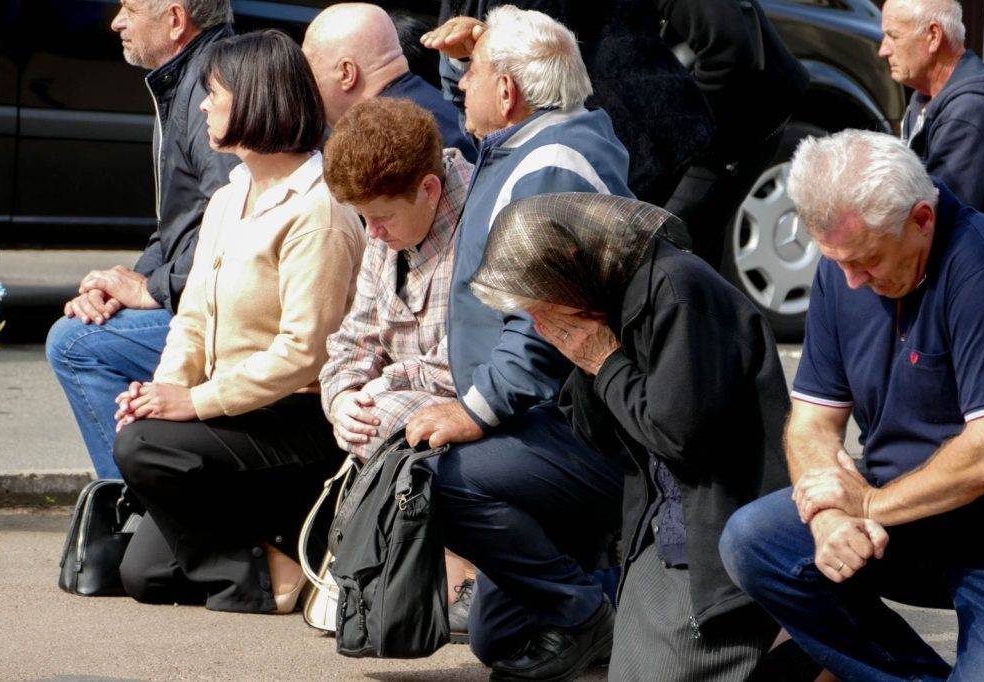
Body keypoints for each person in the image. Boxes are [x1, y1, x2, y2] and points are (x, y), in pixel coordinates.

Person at [720, 130, 984, 679]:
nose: (853, 280)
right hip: (896, 519)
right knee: (752, 541)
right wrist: (829, 517)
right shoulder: (843, 270)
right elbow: (812, 421)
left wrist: (868, 508)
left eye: (868, 261)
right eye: (840, 263)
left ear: (922, 220)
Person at [469, 193, 792, 680]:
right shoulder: (606, 296)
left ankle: (804, 651)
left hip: (716, 513)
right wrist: (587, 362)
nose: (539, 322)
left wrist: (604, 361)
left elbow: (681, 436)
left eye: (541, 303)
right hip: (662, 515)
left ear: (568, 269)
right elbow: (596, 435)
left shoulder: (678, 289)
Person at [409, 8, 631, 679]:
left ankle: (589, 611)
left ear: (507, 91)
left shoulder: (553, 166)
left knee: (438, 479)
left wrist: (473, 412)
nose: (458, 87)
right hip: (545, 426)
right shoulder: (539, 140)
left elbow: (542, 324)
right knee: (499, 642)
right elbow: (487, 117)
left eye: (472, 75)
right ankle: (607, 601)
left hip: (579, 435)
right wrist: (464, 59)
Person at [111, 30, 365, 614]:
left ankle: (257, 575)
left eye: (214, 94)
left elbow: (306, 351)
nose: (202, 105)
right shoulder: (231, 194)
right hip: (234, 411)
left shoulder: (318, 209)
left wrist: (194, 404)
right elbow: (194, 315)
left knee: (142, 446)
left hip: (296, 418)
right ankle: (268, 544)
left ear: (256, 100)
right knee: (143, 575)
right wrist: (166, 389)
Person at [45, 0, 239, 479]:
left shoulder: (213, 87)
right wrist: (118, 284)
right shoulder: (188, 78)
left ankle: (138, 506)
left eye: (130, 9)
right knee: (83, 328)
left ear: (175, 20)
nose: (116, 22)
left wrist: (152, 289)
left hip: (232, 316)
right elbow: (177, 225)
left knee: (74, 343)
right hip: (205, 299)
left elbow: (234, 232)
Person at [317, 96, 476, 640]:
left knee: (390, 421)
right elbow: (352, 339)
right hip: (402, 406)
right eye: (362, 219)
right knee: (371, 417)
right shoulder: (389, 227)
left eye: (379, 218)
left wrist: (379, 390)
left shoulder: (481, 227)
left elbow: (469, 363)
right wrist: (341, 399)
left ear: (429, 190)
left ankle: (460, 574)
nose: (371, 234)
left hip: (472, 409)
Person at [429, 0, 713, 206]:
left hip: (660, 152)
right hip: (599, 163)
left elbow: (727, 41)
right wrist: (463, 59)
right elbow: (463, 93)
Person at [659, 0, 809, 269]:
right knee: (685, 258)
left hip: (731, 129)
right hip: (711, 126)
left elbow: (728, 49)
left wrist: (676, 130)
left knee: (664, 251)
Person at [881, 0, 984, 226]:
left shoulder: (970, 113)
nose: (883, 50)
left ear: (933, 36)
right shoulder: (926, 98)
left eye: (893, 36)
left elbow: (932, 221)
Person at [302, 3, 476, 162]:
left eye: (310, 73)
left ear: (346, 73)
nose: (305, 88)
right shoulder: (453, 112)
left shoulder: (381, 142)